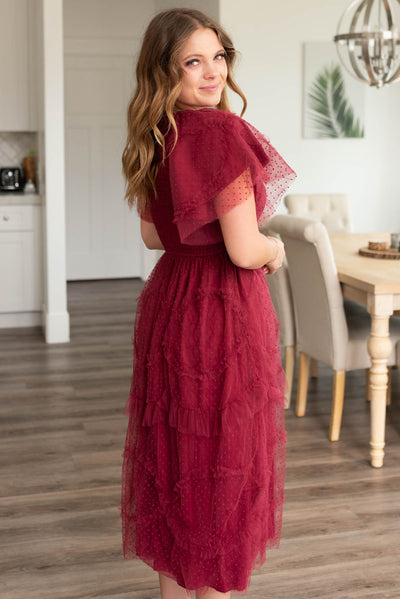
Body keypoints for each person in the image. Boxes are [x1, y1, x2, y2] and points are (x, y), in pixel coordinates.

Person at [120, 8, 296, 599]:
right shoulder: (222, 133)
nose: (212, 71)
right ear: (166, 70)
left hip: (171, 304)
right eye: (193, 61)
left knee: (175, 468)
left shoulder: (156, 132)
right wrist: (274, 249)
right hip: (220, 309)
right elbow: (244, 249)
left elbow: (151, 237)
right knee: (223, 473)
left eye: (217, 57)